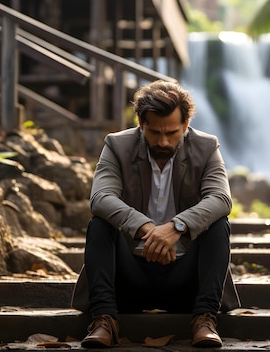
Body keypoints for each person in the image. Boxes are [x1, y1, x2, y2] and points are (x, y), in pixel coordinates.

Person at [71, 80, 237, 348]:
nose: (163, 141)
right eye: (154, 132)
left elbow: (221, 198)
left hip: (186, 279)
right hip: (128, 277)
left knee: (218, 224)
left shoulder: (206, 147)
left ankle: (205, 319)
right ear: (141, 123)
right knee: (99, 224)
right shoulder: (117, 145)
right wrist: (148, 229)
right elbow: (100, 198)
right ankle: (104, 319)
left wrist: (176, 227)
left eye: (172, 132)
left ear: (185, 124)